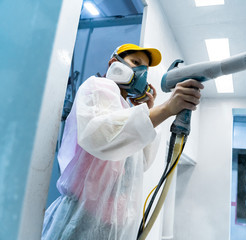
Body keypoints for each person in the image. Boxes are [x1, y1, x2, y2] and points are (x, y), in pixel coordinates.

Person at [41, 43, 204, 240]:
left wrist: (148, 114)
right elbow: (99, 135)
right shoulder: (98, 86)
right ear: (113, 63)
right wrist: (166, 109)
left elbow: (141, 162)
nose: (140, 72)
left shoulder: (126, 110)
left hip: (110, 226)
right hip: (80, 217)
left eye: (144, 69)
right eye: (135, 63)